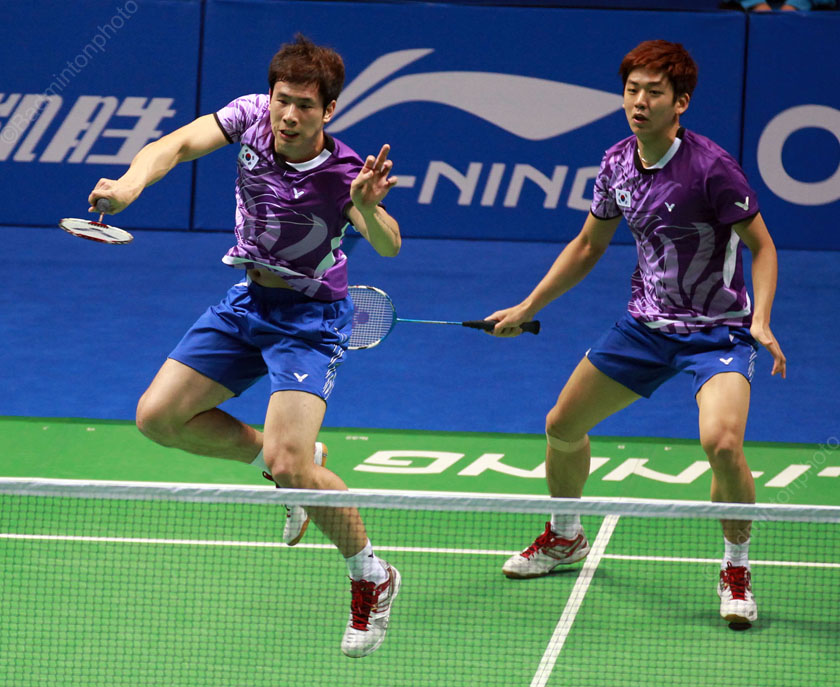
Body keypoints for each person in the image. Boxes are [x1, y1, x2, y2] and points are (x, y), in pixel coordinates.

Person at [87, 34, 401, 658]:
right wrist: (128, 185)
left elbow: (389, 244)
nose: (289, 115)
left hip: (309, 320)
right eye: (283, 100)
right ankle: (288, 461)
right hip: (248, 301)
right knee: (158, 418)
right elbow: (177, 144)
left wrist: (367, 208)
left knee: (292, 467)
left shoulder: (346, 173)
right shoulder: (250, 116)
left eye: (305, 106)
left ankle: (372, 574)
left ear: (329, 110)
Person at [487, 39, 786, 626]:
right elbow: (588, 245)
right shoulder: (617, 163)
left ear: (681, 102)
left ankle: (736, 566)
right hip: (645, 328)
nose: (639, 102)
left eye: (654, 92)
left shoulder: (712, 168)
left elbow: (764, 246)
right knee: (561, 425)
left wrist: (761, 319)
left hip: (717, 332)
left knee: (723, 445)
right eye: (632, 91)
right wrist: (527, 306)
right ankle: (566, 536)